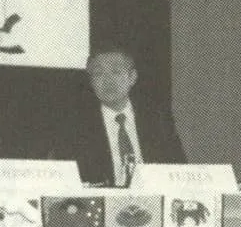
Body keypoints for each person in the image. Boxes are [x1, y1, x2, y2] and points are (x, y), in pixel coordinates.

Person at [65, 44, 186, 186]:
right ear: (91, 82)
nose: (108, 80)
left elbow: (179, 169)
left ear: (132, 77)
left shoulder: (157, 119)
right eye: (98, 73)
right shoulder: (77, 126)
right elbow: (69, 180)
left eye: (116, 72)